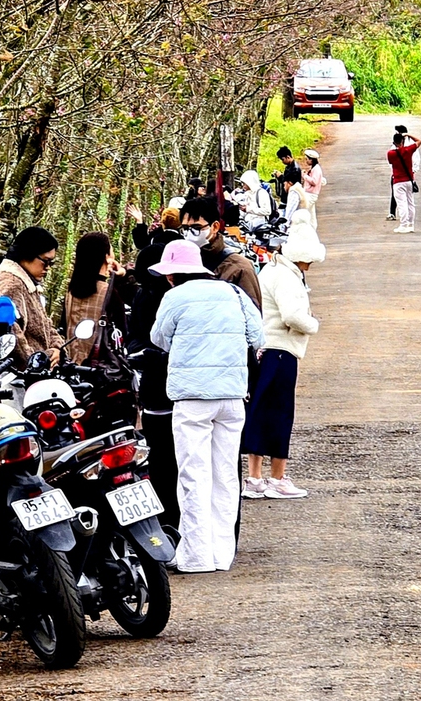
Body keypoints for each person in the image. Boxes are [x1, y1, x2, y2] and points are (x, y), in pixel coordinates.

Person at [149, 238, 264, 573]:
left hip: (192, 398)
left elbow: (159, 338)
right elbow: (257, 337)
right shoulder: (234, 293)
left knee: (193, 475)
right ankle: (221, 553)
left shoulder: (174, 297)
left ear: (172, 275)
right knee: (226, 475)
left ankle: (196, 556)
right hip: (231, 397)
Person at [244, 231, 321, 500]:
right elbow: (292, 315)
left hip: (265, 350)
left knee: (260, 410)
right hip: (281, 351)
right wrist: (313, 324)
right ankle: (277, 478)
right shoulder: (288, 277)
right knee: (280, 414)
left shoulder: (271, 270)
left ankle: (255, 478)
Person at [127, 214, 186, 526]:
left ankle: (173, 518)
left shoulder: (175, 298)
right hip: (155, 390)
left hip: (174, 390)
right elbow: (135, 336)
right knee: (161, 461)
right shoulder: (142, 296)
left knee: (172, 461)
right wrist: (143, 354)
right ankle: (166, 520)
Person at [0, 226, 64, 361]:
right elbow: (10, 335)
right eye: (45, 262)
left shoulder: (28, 283)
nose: (48, 268)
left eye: (51, 263)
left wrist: (57, 348)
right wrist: (36, 361)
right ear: (27, 253)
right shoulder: (11, 283)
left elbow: (45, 324)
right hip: (18, 375)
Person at [184, 194, 260, 309]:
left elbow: (253, 314)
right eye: (185, 228)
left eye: (196, 228)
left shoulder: (239, 268)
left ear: (215, 227)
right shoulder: (179, 264)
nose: (189, 234)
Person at [61, 231, 118, 364]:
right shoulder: (109, 293)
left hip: (70, 365)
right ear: (106, 256)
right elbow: (121, 333)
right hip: (99, 369)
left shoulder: (71, 291)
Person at [387, 129, 420, 232]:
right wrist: (408, 135)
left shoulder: (390, 153)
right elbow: (419, 141)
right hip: (409, 181)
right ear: (403, 141)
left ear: (393, 143)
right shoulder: (408, 150)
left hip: (398, 181)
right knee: (411, 203)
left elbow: (391, 163)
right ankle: (411, 224)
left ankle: (403, 225)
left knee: (402, 204)